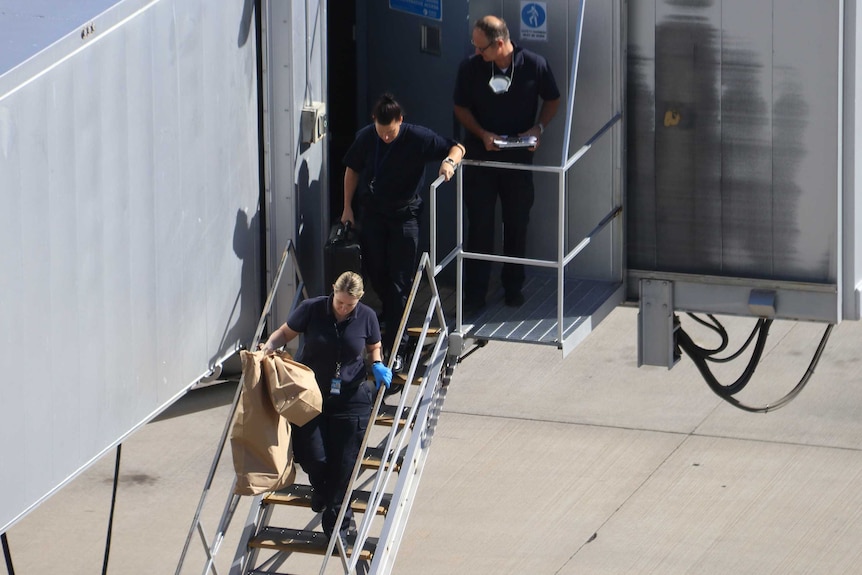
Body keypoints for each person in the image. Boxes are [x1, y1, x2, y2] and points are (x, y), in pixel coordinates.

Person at [260, 271, 392, 540]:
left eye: (349, 305)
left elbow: (374, 345)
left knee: (342, 467)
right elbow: (284, 333)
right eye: (340, 302)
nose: (343, 309)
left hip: (351, 400)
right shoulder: (312, 309)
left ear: (359, 300)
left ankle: (339, 528)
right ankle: (322, 491)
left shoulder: (366, 316)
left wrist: (377, 363)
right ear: (333, 291)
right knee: (312, 456)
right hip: (311, 397)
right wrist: (267, 348)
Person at [341, 92, 465, 370]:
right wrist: (347, 208)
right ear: (374, 121)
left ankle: (394, 345)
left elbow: (457, 147)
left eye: (391, 132)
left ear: (400, 120)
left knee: (399, 281)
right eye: (382, 132)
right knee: (375, 273)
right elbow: (352, 169)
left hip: (404, 216)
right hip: (373, 214)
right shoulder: (366, 138)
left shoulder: (417, 137)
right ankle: (392, 316)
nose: (386, 137)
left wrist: (449, 163)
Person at [453, 15, 561, 310]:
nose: (477, 52)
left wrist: (538, 129)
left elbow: (553, 99)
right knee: (480, 228)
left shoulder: (534, 65)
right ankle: (475, 296)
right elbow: (460, 108)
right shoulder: (471, 68)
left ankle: (513, 286)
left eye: (482, 48)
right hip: (481, 160)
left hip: (517, 160)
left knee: (516, 224)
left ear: (499, 43)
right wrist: (482, 133)